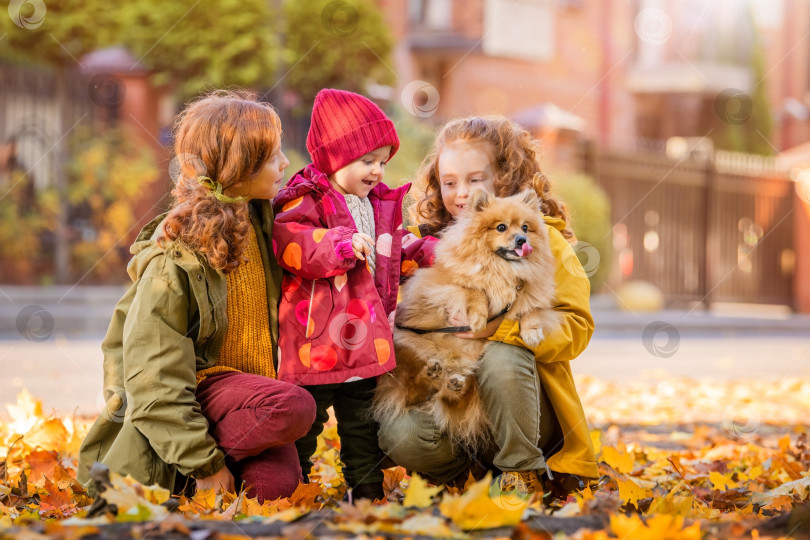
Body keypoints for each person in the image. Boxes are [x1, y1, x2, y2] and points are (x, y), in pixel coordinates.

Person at [78, 90, 317, 503]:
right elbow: (154, 377)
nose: (285, 164)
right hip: (202, 391)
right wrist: (205, 464)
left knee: (273, 493)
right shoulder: (175, 259)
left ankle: (192, 476)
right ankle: (186, 465)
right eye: (272, 156)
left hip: (250, 398)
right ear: (237, 166)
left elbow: (328, 199)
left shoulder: (265, 223)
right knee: (295, 408)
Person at [378, 115, 598, 497]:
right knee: (401, 432)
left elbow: (576, 328)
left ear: (504, 177)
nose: (461, 193)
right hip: (451, 401)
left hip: (524, 413)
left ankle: (520, 472)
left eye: (474, 179)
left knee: (501, 357)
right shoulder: (421, 245)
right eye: (450, 183)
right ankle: (466, 476)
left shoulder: (543, 240)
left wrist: (506, 329)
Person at [272, 89, 436, 501]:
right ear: (334, 157)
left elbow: (394, 254)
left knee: (363, 425)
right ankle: (296, 490)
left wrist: (430, 252)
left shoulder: (379, 205)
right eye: (367, 161)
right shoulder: (307, 199)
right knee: (305, 424)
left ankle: (366, 493)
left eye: (382, 161)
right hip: (317, 343)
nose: (377, 171)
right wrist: (338, 245)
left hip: (366, 343)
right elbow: (293, 243)